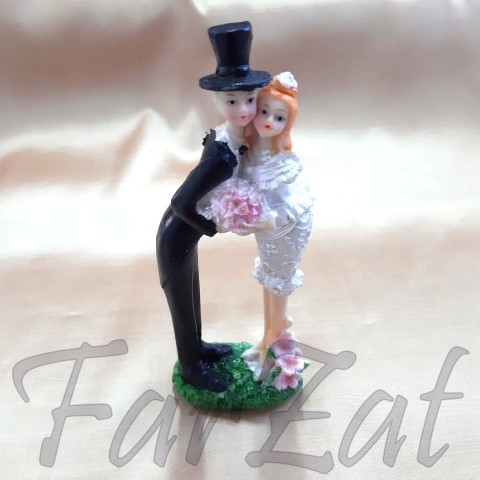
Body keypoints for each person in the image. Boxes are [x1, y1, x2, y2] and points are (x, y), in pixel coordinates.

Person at [156, 21, 270, 392]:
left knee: (193, 295)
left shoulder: (229, 138)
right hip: (176, 235)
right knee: (182, 303)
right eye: (232, 101)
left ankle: (199, 348)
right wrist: (212, 227)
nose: (243, 109)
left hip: (184, 235)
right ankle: (191, 369)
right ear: (217, 102)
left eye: (249, 99)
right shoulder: (222, 154)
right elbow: (181, 202)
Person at [239, 72, 314, 367]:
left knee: (277, 283)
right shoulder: (249, 151)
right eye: (264, 111)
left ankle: (274, 350)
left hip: (287, 225)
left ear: (287, 124)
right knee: (267, 280)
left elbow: (275, 204)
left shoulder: (281, 162)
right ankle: (265, 340)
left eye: (279, 117)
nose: (269, 121)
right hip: (267, 228)